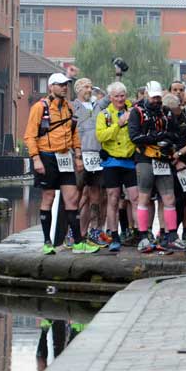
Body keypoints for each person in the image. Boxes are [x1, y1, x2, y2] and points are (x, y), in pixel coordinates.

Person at [25, 73, 99, 255]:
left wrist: (79, 156)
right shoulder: (39, 107)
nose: (65, 88)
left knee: (72, 199)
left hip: (65, 157)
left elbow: (74, 134)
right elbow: (30, 135)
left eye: (66, 85)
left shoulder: (69, 108)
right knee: (48, 197)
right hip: (47, 156)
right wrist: (36, 159)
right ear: (51, 87)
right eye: (60, 85)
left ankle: (78, 242)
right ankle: (47, 242)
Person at [129, 81, 186, 253]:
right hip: (145, 158)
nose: (156, 101)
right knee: (144, 198)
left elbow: (176, 134)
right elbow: (134, 136)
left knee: (169, 199)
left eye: (158, 98)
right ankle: (143, 236)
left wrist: (167, 138)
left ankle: (171, 235)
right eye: (153, 98)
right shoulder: (137, 112)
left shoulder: (166, 111)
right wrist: (156, 137)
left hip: (163, 159)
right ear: (147, 95)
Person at [95, 82, 138, 253]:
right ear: (111, 98)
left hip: (130, 161)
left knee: (135, 198)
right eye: (117, 96)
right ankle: (114, 235)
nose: (120, 99)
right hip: (112, 162)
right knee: (112, 199)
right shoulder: (104, 114)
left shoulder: (134, 112)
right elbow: (101, 136)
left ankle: (140, 234)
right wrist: (118, 125)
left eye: (122, 95)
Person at [71, 78, 108, 246]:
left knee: (96, 195)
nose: (89, 89)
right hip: (79, 155)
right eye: (86, 86)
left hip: (96, 156)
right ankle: (74, 231)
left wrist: (118, 75)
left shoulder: (97, 106)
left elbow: (110, 96)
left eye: (91, 86)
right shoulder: (72, 107)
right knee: (77, 194)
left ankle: (94, 229)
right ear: (78, 89)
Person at [164, 93, 186, 251]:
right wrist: (176, 160)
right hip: (170, 164)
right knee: (172, 201)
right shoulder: (163, 121)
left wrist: (179, 156)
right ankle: (168, 233)